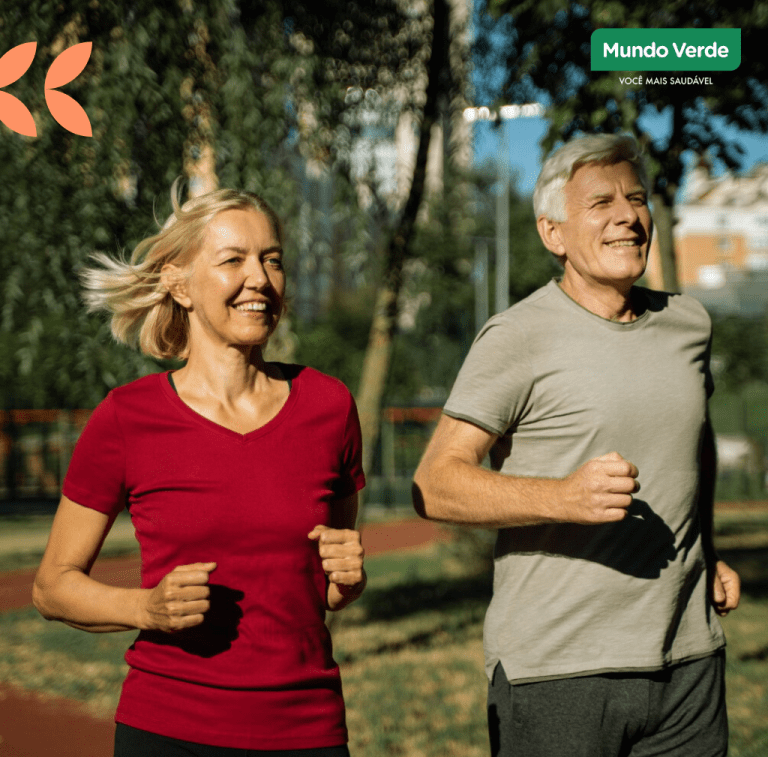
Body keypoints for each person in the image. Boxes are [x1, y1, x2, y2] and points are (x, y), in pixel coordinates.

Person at [412, 133, 740, 757]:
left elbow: (695, 444)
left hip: (689, 661)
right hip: (559, 669)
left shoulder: (689, 323)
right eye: (601, 203)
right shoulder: (517, 335)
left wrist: (711, 549)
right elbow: (435, 483)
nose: (627, 216)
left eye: (635, 199)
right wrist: (562, 498)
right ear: (553, 234)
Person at [33, 184, 366, 757]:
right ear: (179, 283)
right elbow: (51, 587)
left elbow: (326, 590)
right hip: (169, 730)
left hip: (307, 730)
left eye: (272, 260)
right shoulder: (126, 418)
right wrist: (146, 608)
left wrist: (348, 581)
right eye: (233, 259)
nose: (260, 279)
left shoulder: (328, 406)